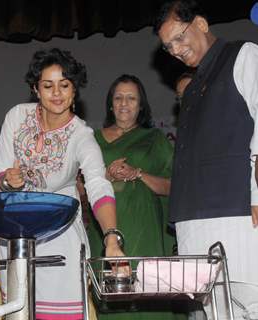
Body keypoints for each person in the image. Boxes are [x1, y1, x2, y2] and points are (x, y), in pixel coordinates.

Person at [0, 48, 124, 319]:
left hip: (60, 239)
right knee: (20, 312)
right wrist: (8, 179)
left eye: (64, 85)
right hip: (16, 239)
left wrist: (111, 237)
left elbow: (98, 185)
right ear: (35, 89)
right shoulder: (16, 117)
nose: (56, 93)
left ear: (74, 90)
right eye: (48, 85)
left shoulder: (81, 135)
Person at [155, 0, 258, 318]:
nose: (175, 50)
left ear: (200, 24)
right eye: (168, 46)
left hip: (237, 214)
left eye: (179, 37)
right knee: (213, 313)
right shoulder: (193, 85)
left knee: (250, 306)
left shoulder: (244, 55)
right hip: (192, 222)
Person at [86, 74, 185, 320]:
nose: (124, 103)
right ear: (110, 103)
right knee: (112, 302)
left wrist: (138, 173)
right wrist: (104, 178)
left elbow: (175, 186)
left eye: (131, 98)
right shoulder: (91, 141)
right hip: (106, 231)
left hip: (146, 232)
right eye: (118, 97)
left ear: (141, 106)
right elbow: (78, 189)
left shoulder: (154, 139)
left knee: (149, 298)